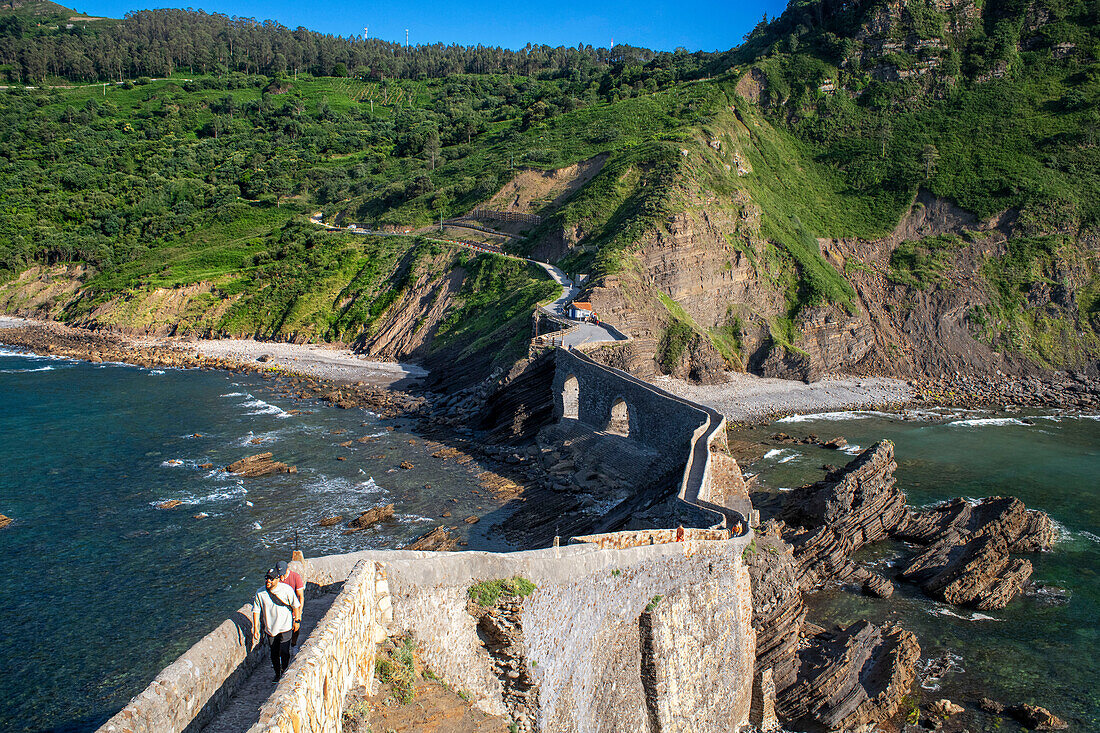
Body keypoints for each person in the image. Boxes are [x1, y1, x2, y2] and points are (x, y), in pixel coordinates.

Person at [252, 568, 301, 682]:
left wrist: (297, 620)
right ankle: (277, 674)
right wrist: (255, 628)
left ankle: (284, 671)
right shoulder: (260, 593)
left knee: (284, 651)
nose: (268, 581)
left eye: (271, 579)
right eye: (267, 578)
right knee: (274, 653)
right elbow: (256, 610)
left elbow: (295, 605)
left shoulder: (286, 590)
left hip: (285, 626)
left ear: (277, 579)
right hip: (270, 628)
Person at [276, 560, 305, 650]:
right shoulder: (277, 578)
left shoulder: (296, 577)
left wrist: (299, 613)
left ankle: (294, 644)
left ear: (287, 569)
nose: (281, 577)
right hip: (282, 609)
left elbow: (300, 596)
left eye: (283, 574)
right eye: (279, 574)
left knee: (295, 628)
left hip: (294, 607)